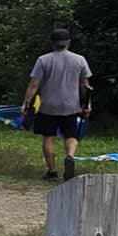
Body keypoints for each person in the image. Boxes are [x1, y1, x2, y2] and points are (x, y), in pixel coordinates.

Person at [26, 27, 93, 181]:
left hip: (48, 106)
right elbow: (85, 86)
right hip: (71, 106)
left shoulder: (43, 60)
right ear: (68, 42)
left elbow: (34, 85)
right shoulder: (80, 60)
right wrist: (87, 104)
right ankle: (69, 156)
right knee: (71, 135)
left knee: (48, 137)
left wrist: (27, 103)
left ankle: (52, 171)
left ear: (52, 43)